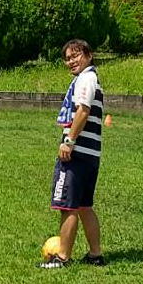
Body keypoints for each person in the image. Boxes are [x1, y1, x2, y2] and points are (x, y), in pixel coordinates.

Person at [40, 39, 105, 269]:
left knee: (67, 205)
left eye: (75, 55)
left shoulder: (86, 78)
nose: (71, 61)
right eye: (67, 58)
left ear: (88, 55)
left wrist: (69, 141)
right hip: (91, 154)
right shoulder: (91, 78)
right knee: (85, 206)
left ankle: (62, 257)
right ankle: (95, 254)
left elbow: (83, 111)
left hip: (77, 153)